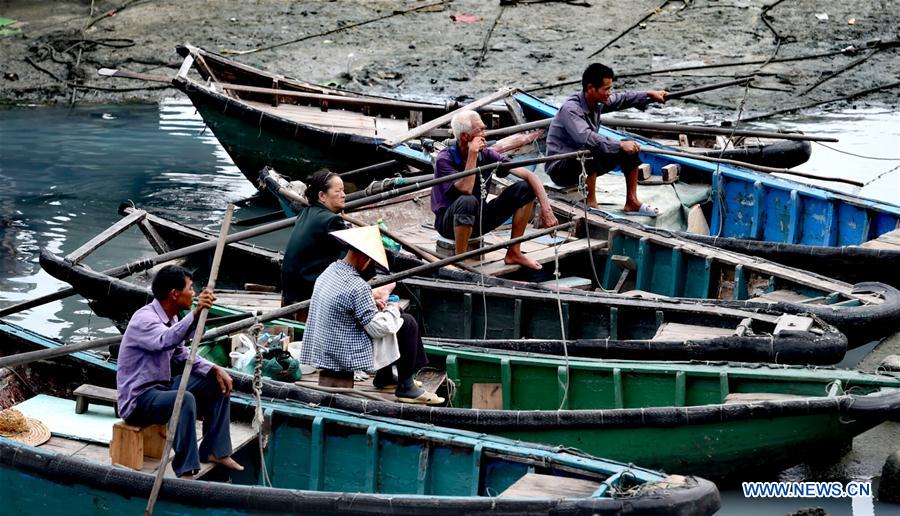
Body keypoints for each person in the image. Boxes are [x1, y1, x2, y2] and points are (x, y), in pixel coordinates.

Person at [116, 265, 242, 479]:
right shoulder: (144, 319)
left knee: (217, 383)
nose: (194, 293)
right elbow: (165, 340)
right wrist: (195, 313)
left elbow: (181, 354)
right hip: (139, 400)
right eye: (190, 288)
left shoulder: (172, 318)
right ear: (174, 294)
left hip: (162, 388)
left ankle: (215, 450)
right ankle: (186, 470)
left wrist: (214, 368)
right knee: (184, 399)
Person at [301, 226, 443, 404]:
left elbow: (346, 304)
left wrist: (375, 304)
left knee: (394, 317)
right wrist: (393, 308)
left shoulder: (330, 270)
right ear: (363, 258)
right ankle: (406, 386)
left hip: (324, 346)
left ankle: (385, 377)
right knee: (406, 322)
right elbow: (378, 329)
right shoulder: (356, 286)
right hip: (343, 355)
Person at [431, 110, 559, 270]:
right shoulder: (445, 159)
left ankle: (514, 252)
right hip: (449, 224)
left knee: (525, 188)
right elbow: (466, 189)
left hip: (479, 219)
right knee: (467, 200)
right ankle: (460, 262)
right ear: (465, 136)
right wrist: (472, 154)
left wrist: (547, 210)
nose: (485, 134)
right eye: (480, 131)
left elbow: (529, 175)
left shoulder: (487, 154)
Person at [546, 63, 668, 215]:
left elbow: (622, 98)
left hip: (583, 166)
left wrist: (649, 95)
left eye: (610, 88)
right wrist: (619, 145)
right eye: (606, 89)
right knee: (590, 148)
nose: (610, 93)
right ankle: (591, 203)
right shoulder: (571, 109)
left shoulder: (597, 100)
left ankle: (632, 202)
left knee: (629, 147)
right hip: (560, 169)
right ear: (591, 88)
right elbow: (586, 138)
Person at [281, 169, 349, 321]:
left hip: (289, 292)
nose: (344, 195)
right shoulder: (331, 220)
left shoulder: (305, 213)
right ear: (322, 196)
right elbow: (349, 257)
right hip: (308, 295)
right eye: (338, 191)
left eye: (343, 190)